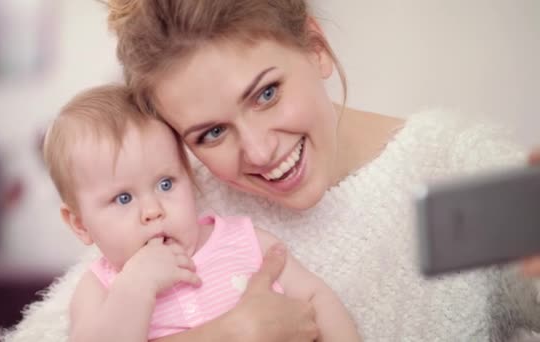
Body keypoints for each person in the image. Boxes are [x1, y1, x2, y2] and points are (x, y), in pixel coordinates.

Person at [1, 1, 540, 341]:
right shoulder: (180, 209)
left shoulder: (461, 161)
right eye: (211, 133)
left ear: (316, 48)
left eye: (266, 93)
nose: (258, 153)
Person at [41, 84, 360, 342]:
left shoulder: (245, 240)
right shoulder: (100, 288)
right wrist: (135, 286)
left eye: (166, 183)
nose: (153, 211)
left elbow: (317, 297)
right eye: (123, 198)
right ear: (80, 224)